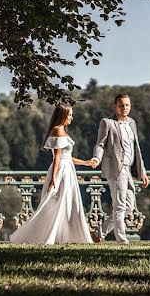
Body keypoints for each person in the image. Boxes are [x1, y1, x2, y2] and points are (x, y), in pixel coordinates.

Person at [9, 104, 95, 244]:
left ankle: (65, 236)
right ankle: (48, 236)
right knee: (56, 202)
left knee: (67, 202)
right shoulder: (57, 130)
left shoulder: (61, 130)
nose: (71, 118)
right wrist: (53, 178)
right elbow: (57, 157)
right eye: (69, 115)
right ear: (62, 116)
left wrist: (85, 163)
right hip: (61, 171)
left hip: (68, 169)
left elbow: (67, 156)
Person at [89, 93, 149, 244]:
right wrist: (97, 157)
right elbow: (100, 144)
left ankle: (98, 234)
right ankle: (122, 241)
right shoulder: (107, 122)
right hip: (116, 169)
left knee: (128, 206)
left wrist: (142, 171)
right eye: (121, 105)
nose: (124, 108)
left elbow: (137, 149)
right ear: (115, 106)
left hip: (128, 170)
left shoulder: (132, 123)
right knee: (120, 206)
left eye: (127, 105)